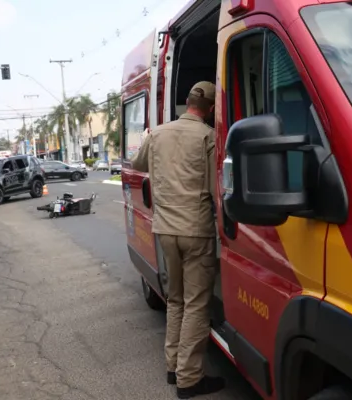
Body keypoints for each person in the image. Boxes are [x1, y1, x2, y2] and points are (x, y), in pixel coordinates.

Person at [131, 81, 222, 399]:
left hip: (165, 230)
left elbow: (138, 164)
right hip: (195, 231)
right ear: (211, 108)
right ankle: (189, 378)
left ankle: (173, 366)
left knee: (176, 300)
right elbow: (215, 190)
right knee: (197, 304)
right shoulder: (208, 137)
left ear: (187, 103)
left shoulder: (158, 133)